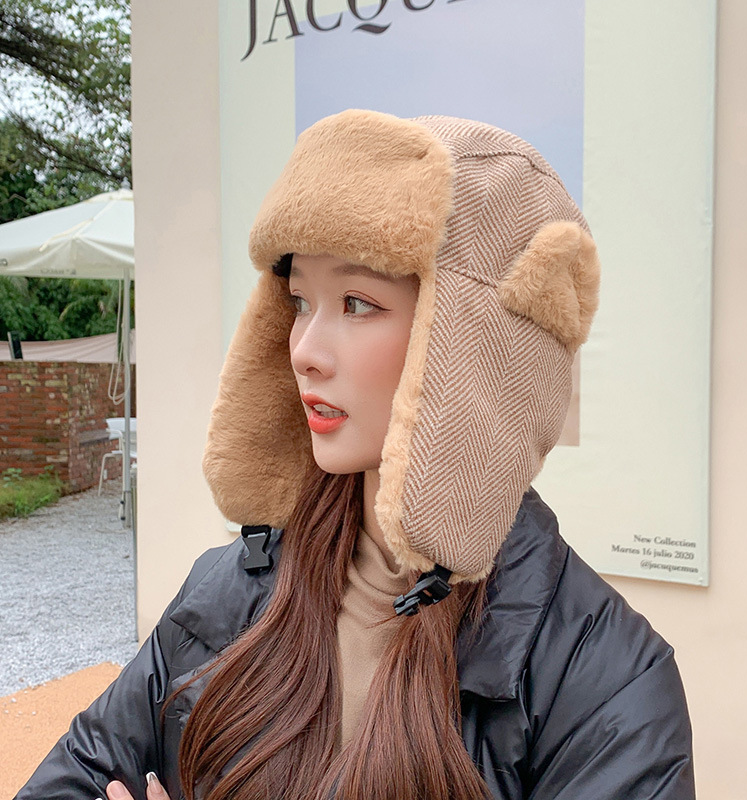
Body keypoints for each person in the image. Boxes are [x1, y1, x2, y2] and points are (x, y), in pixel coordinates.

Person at [15, 110, 694, 800]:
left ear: (479, 346)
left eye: (357, 303)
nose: (305, 351)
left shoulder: (606, 681)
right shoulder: (225, 593)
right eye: (299, 301)